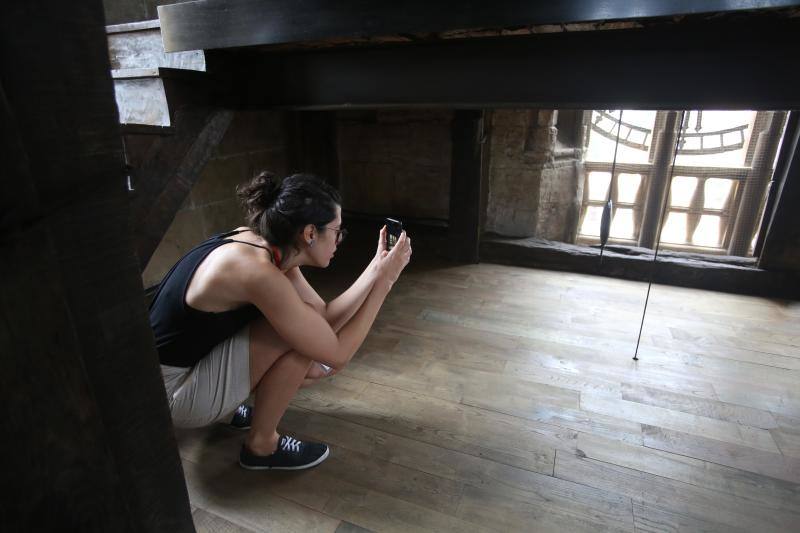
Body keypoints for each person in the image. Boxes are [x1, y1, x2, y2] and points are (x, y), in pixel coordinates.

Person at [150, 171, 412, 470]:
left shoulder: (265, 244)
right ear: (310, 233)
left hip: (167, 372)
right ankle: (261, 446)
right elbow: (336, 352)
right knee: (304, 344)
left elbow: (323, 317)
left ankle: (230, 408)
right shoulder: (258, 273)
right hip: (170, 394)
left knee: (307, 335)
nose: (340, 240)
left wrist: (377, 268)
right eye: (338, 231)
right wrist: (385, 285)